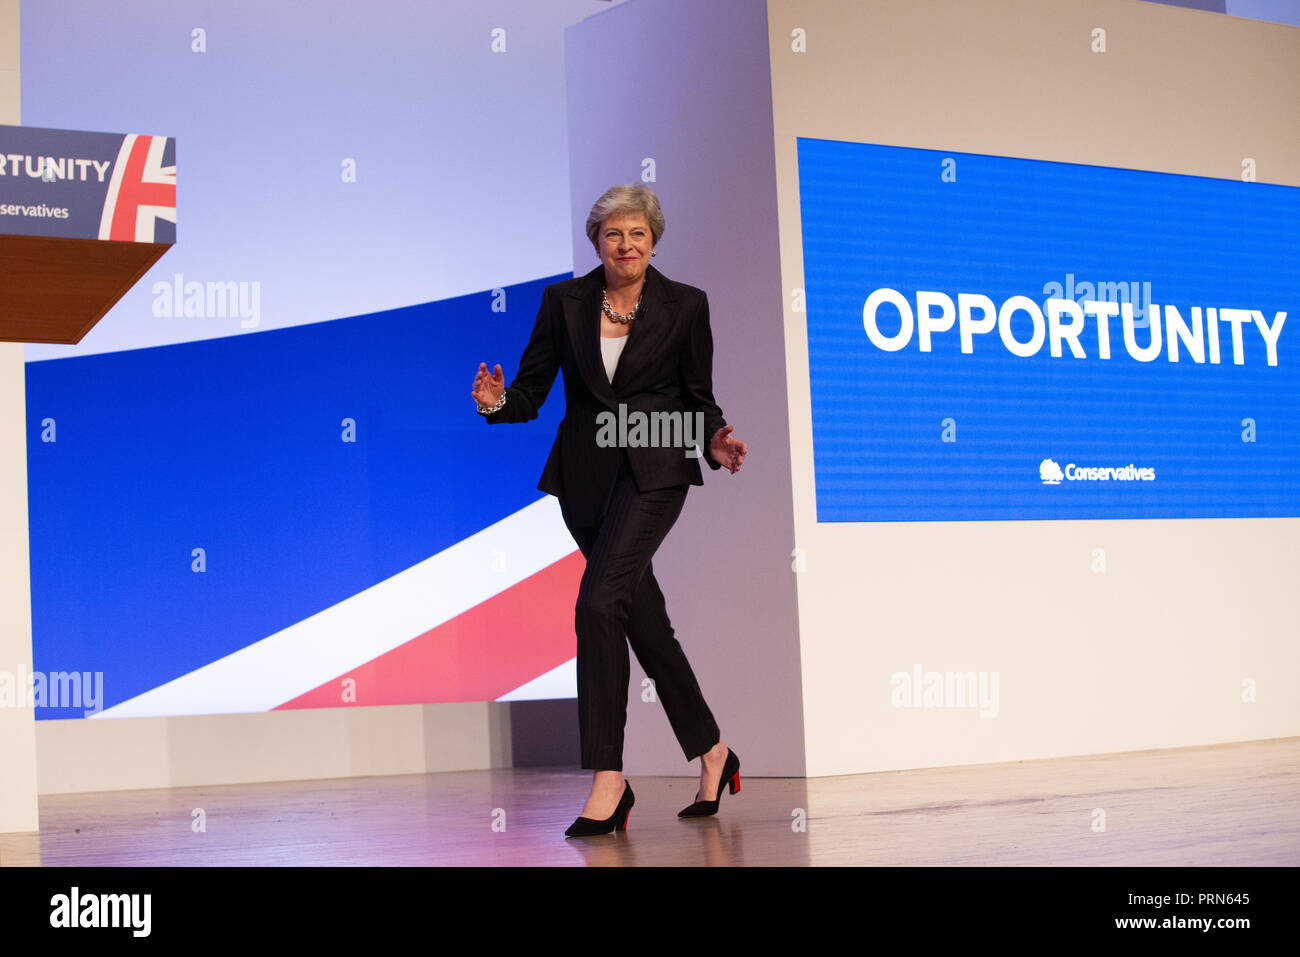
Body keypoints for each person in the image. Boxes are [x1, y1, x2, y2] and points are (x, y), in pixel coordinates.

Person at [471, 183, 747, 836]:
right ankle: (713, 750)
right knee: (642, 620)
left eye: (638, 234)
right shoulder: (563, 302)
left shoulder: (686, 305)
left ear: (654, 240)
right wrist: (495, 402)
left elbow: (697, 395)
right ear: (597, 241)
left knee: (598, 602)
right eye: (613, 234)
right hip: (584, 479)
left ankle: (608, 777)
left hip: (656, 468)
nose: (626, 245)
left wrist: (713, 436)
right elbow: (533, 391)